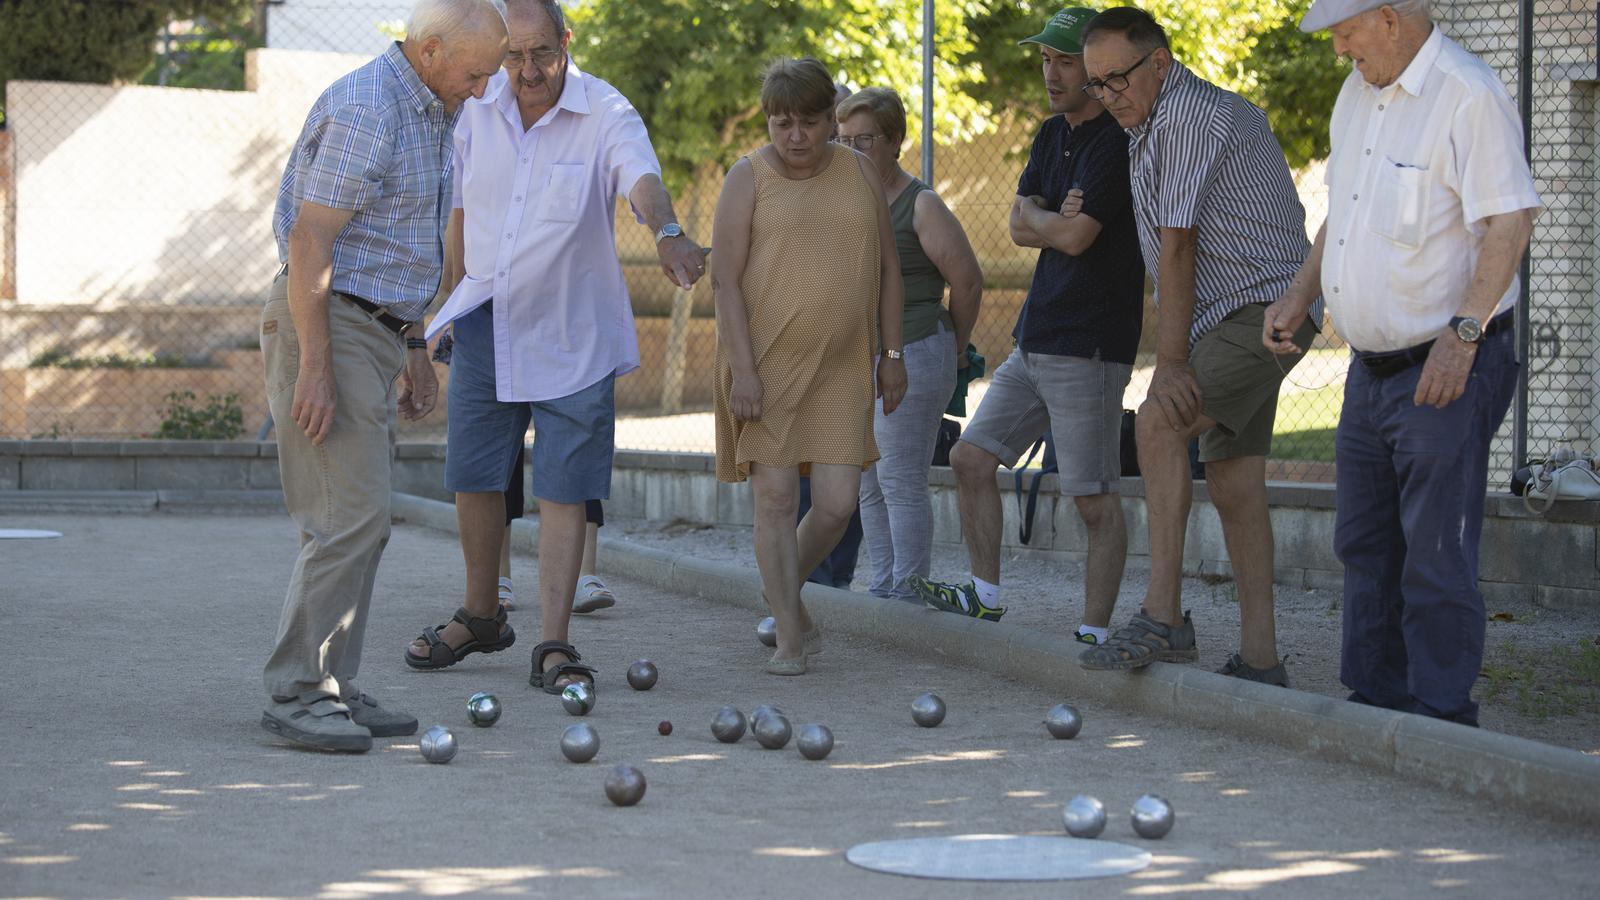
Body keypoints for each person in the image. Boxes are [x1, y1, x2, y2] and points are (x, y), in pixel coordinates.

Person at [407, 0, 703, 694]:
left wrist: (666, 233)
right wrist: (445, 310)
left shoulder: (606, 111)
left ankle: (553, 641)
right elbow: (459, 215)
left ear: (567, 42)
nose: (527, 71)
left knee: (565, 490)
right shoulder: (476, 107)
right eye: (513, 56)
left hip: (574, 329)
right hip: (487, 320)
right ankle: (481, 615)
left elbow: (642, 181)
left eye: (542, 54)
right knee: (474, 476)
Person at [1267, 0, 1537, 723]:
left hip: (1447, 360)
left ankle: (1441, 718)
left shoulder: (1468, 93)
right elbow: (1345, 210)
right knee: (1363, 542)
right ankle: (1376, 703)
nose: (1337, 50)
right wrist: (1302, 292)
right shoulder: (1358, 92)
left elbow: (1509, 221)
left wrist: (1464, 334)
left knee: (1434, 554)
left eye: (1345, 31)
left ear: (1389, 18)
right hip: (1370, 366)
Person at [259, 0, 507, 753]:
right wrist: (315, 365)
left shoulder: (431, 108)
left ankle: (332, 683)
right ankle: (298, 691)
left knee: (362, 523)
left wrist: (410, 347)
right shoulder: (370, 107)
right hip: (327, 323)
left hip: (373, 330)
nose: (481, 89)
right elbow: (311, 239)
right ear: (430, 50)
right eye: (475, 73)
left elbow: (392, 243)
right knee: (347, 518)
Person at [1078, 7, 1320, 685]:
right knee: (1236, 481)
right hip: (1233, 313)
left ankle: (1164, 616)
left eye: (1116, 78)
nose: (1105, 94)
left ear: (1159, 62)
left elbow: (1177, 247)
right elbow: (1173, 251)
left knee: (1159, 421)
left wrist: (1172, 362)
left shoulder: (1184, 115)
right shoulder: (1146, 121)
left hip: (1264, 311)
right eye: (1096, 84)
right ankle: (1262, 658)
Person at [910, 8, 1141, 647]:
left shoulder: (1117, 142)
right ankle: (984, 597)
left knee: (1092, 498)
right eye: (1046, 60)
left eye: (1064, 61)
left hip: (1089, 345)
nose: (1051, 72)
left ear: (1094, 69)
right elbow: (1020, 226)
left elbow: (1077, 234)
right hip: (1035, 338)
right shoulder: (1048, 135)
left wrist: (1045, 220)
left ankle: (1094, 634)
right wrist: (1046, 219)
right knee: (969, 457)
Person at [712, 56, 907, 675]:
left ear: (831, 119)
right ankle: (791, 636)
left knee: (835, 506)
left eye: (808, 122)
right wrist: (743, 371)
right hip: (764, 364)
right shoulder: (747, 178)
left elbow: (888, 270)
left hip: (843, 365)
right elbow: (724, 282)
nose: (795, 136)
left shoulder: (858, 172)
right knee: (773, 498)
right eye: (781, 123)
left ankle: (784, 599)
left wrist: (893, 354)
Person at [836, 86, 983, 606]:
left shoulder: (919, 202)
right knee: (869, 482)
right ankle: (885, 587)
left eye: (866, 140)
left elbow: (966, 281)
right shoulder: (850, 200)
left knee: (899, 478)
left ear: (895, 140)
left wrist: (956, 349)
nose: (853, 151)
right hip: (865, 356)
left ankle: (910, 592)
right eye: (844, 140)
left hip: (917, 346)